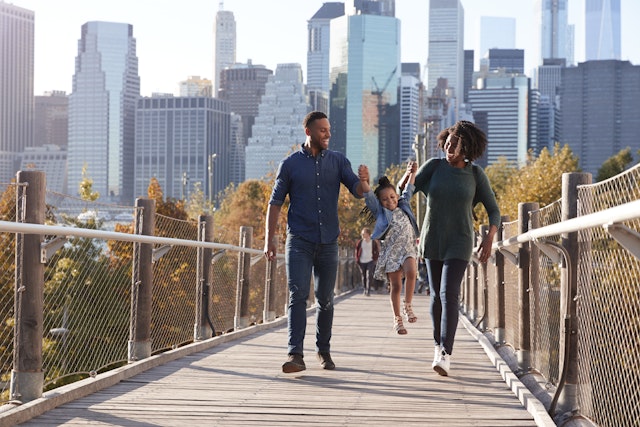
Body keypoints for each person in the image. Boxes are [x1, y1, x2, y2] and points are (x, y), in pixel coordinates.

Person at [264, 111, 369, 374]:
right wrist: (270, 240)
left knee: (326, 299)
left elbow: (356, 190)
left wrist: (364, 182)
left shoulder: (338, 161)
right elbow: (274, 203)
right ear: (309, 132)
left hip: (328, 242)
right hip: (299, 240)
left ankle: (323, 350)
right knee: (297, 295)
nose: (328, 134)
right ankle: (295, 354)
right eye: (323, 130)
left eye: (329, 130)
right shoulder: (289, 165)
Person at [414, 120, 501, 376]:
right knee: (436, 297)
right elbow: (406, 191)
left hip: (460, 240)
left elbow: (494, 211)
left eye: (456, 145)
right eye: (448, 143)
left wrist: (489, 238)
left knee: (448, 293)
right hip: (433, 239)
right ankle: (436, 344)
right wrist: (403, 184)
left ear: (468, 149)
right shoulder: (434, 167)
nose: (449, 148)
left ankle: (445, 353)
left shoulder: (475, 175)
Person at [359, 161, 420, 335]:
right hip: (391, 251)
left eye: (392, 197)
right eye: (385, 199)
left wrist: (411, 172)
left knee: (411, 272)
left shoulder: (403, 204)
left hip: (407, 248)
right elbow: (369, 195)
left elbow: (409, 188)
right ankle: (397, 319)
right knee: (395, 286)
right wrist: (364, 180)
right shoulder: (380, 212)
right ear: (380, 202)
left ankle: (408, 306)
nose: (390, 201)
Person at [355, 227, 380, 296]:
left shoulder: (373, 242)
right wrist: (357, 259)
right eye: (362, 234)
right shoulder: (360, 242)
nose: (363, 235)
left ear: (368, 234)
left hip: (370, 260)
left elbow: (376, 251)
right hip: (362, 261)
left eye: (364, 234)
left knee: (369, 275)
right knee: (363, 276)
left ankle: (368, 291)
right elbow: (357, 251)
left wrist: (375, 258)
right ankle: (365, 289)